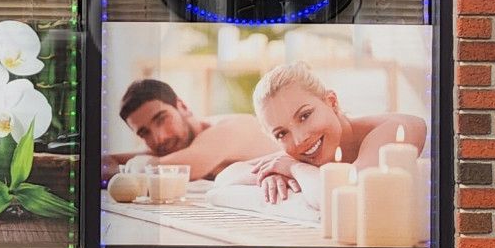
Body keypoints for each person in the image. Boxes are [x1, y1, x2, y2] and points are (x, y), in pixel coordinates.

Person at [225, 60, 428, 206]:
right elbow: (226, 177)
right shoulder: (299, 153)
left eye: (304, 116)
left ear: (331, 102)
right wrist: (270, 174)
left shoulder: (394, 130)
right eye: (281, 134)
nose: (299, 139)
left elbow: (345, 193)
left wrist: (295, 169)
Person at [101, 77, 274, 183]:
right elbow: (106, 161)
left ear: (182, 106)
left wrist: (124, 168)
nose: (159, 138)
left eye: (161, 119)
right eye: (144, 132)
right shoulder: (175, 147)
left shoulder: (230, 129)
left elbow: (175, 168)